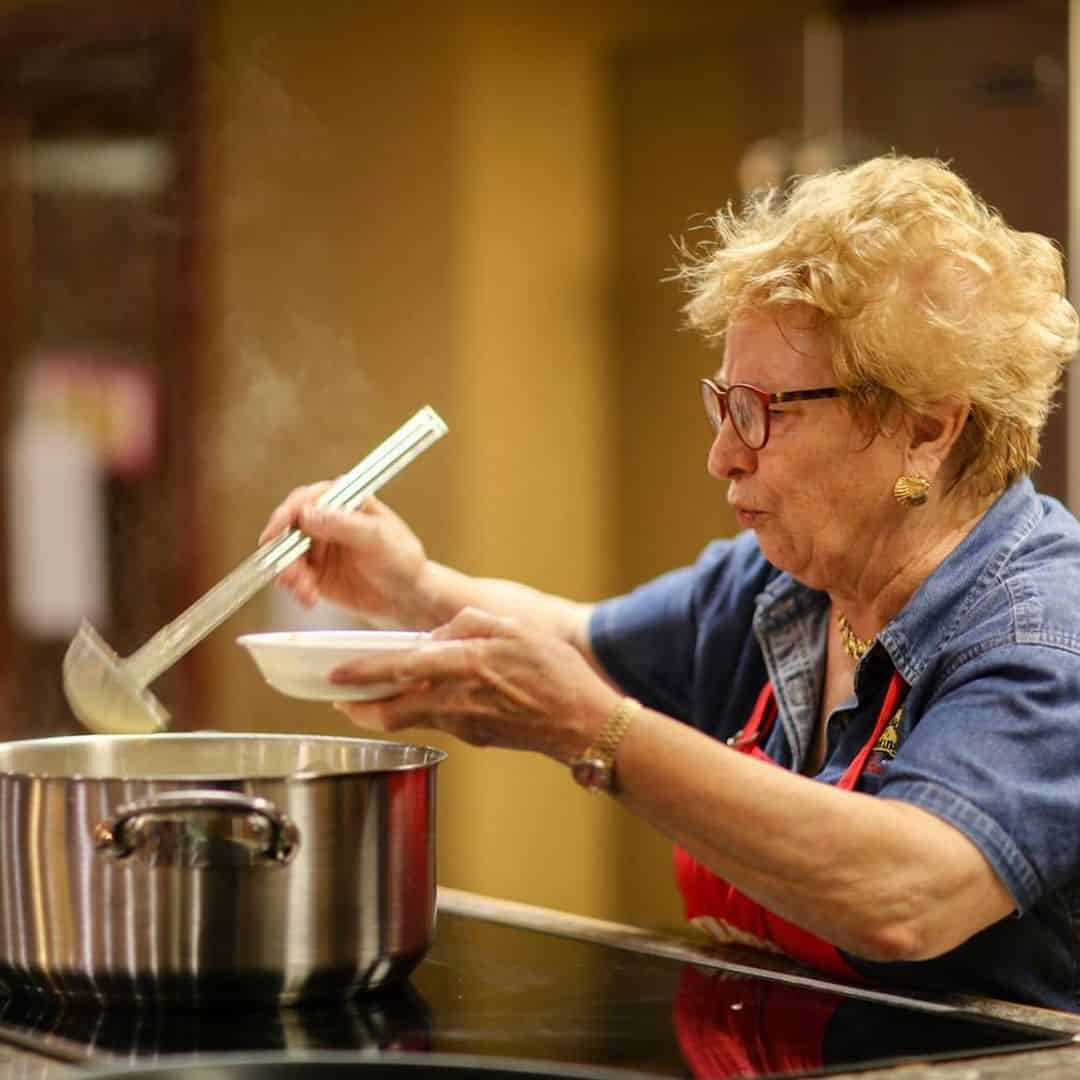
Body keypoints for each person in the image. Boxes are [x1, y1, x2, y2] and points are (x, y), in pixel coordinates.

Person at [261, 156, 1080, 1011]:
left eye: (767, 411)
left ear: (924, 427)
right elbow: (580, 641)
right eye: (723, 404)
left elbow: (907, 894)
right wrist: (412, 586)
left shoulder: (1043, 629)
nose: (723, 452)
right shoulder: (784, 588)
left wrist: (595, 732)